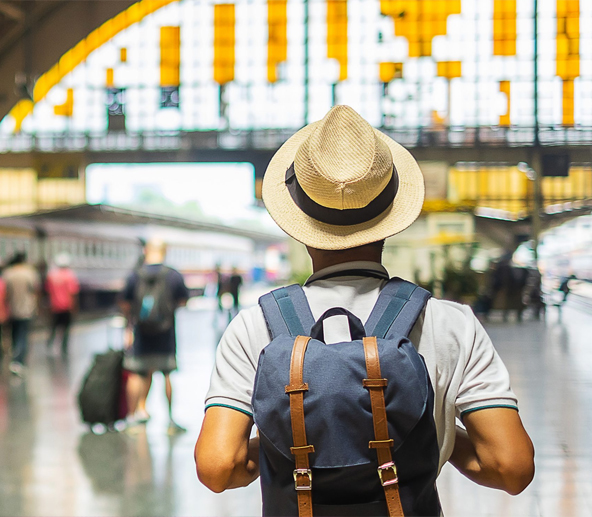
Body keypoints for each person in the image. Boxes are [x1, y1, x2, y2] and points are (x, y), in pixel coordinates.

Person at [195, 106, 534, 508]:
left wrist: (287, 441)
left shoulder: (255, 327)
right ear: (391, 214)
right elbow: (510, 467)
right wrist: (424, 431)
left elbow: (218, 466)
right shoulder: (450, 323)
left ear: (299, 218)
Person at [121, 238, 189, 433]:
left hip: (141, 333)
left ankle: (132, 418)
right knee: (167, 375)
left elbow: (125, 304)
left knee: (136, 374)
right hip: (165, 333)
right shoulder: (173, 275)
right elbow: (183, 300)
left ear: (146, 250)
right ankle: (170, 420)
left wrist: (130, 327)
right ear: (164, 251)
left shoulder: (135, 275)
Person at [3, 252, 40, 376]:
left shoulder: (8, 273)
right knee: (23, 336)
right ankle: (19, 361)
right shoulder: (30, 273)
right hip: (26, 309)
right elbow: (35, 291)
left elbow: (4, 292)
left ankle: (14, 357)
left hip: (11, 309)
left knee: (14, 334)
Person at [45, 253, 80, 358]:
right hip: (66, 307)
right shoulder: (70, 276)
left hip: (54, 306)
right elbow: (73, 293)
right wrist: (74, 307)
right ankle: (64, 347)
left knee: (54, 326)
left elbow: (48, 291)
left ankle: (49, 344)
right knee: (66, 328)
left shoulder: (52, 275)